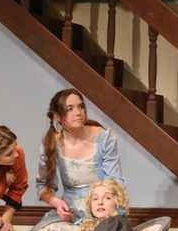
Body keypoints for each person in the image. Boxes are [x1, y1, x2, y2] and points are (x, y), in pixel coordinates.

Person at [37, 89, 126, 222]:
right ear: (57, 116)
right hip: (71, 212)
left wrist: (100, 208)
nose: (78, 113)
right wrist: (57, 203)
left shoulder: (104, 137)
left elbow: (115, 182)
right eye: (70, 109)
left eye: (81, 106)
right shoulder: (50, 142)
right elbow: (44, 185)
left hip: (103, 210)